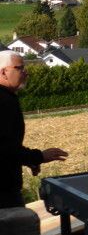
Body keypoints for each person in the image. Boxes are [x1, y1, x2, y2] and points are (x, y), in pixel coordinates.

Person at [0, 50, 68, 209]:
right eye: (20, 68)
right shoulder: (3, 101)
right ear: (3, 72)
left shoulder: (7, 97)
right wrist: (38, 157)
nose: (26, 72)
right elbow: (4, 148)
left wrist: (30, 160)